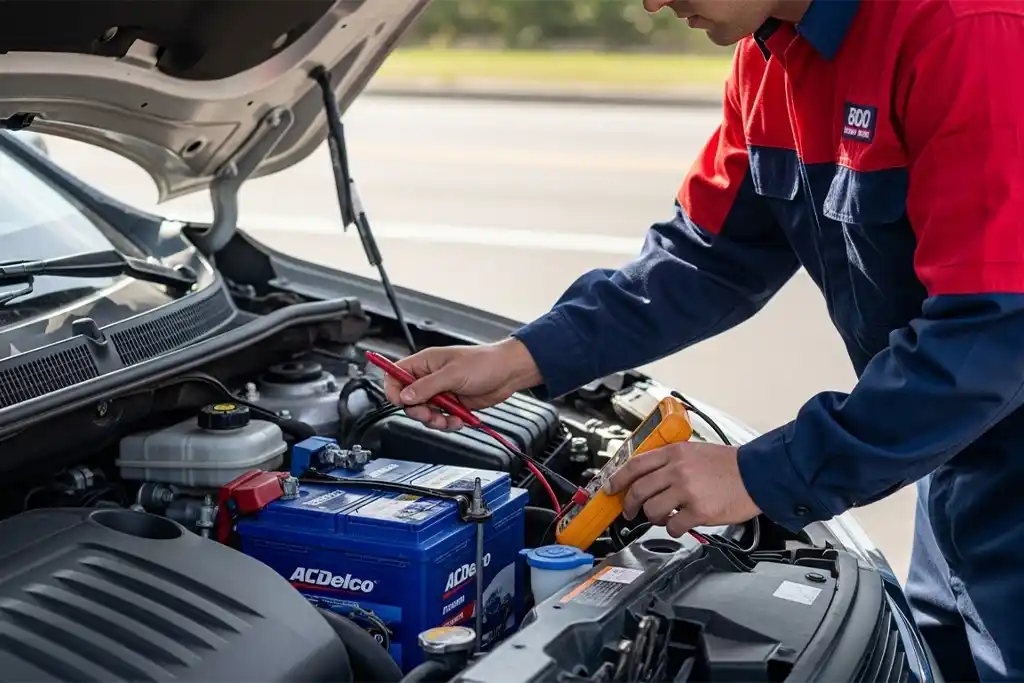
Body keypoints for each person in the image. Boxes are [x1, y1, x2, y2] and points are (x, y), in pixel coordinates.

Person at [381, 0, 1024, 680]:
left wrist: (762, 473)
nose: (651, 1)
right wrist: (518, 359)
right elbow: (704, 259)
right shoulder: (769, 61)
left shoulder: (966, 33)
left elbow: (994, 330)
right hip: (956, 466)